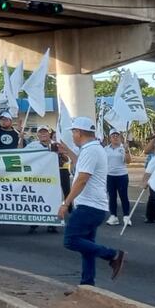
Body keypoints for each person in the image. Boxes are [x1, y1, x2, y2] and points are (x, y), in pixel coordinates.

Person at [59, 118, 126, 286]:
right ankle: (87, 285)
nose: (72, 136)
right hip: (95, 205)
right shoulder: (92, 149)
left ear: (78, 132)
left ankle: (112, 255)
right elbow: (80, 164)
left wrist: (66, 203)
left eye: (73, 132)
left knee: (71, 240)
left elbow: (82, 179)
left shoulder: (91, 151)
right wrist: (67, 151)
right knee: (87, 248)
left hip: (89, 206)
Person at [28, 125, 62, 234]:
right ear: (37, 134)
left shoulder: (55, 144)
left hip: (52, 178)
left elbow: (64, 160)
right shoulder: (32, 145)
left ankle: (52, 224)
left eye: (45, 132)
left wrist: (59, 153)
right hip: (37, 178)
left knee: (53, 199)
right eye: (40, 132)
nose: (43, 134)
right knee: (36, 200)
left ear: (49, 133)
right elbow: (20, 155)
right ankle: (34, 223)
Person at [104, 131, 131, 226]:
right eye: (113, 136)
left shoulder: (123, 148)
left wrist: (127, 150)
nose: (115, 137)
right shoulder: (105, 149)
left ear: (120, 138)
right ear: (110, 138)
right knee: (112, 196)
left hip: (122, 175)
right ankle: (113, 216)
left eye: (117, 136)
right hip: (109, 176)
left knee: (124, 196)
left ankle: (126, 216)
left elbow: (128, 161)